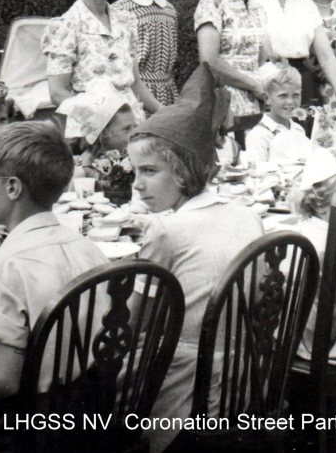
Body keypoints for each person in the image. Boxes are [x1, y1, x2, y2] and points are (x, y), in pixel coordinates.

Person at [126, 63, 263, 452]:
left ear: (183, 171)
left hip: (189, 383)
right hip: (244, 373)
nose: (137, 184)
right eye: (135, 171)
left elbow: (135, 324)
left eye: (149, 171)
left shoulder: (165, 231)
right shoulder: (246, 213)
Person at [0, 121, 109, 418]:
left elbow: (3, 382)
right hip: (89, 412)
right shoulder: (88, 249)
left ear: (12, 187)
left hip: (31, 426)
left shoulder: (5, 266)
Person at [41, 0, 161, 122]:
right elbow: (57, 93)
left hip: (133, 126)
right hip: (93, 132)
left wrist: (166, 113)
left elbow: (134, 83)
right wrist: (99, 120)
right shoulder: (66, 27)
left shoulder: (126, 21)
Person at [288, 133, 336, 363]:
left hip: (300, 322)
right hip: (315, 332)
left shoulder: (312, 227)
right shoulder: (326, 244)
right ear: (320, 202)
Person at [194, 0, 268, 123]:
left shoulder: (257, 6)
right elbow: (209, 61)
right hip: (224, 101)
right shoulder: (213, 1)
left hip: (257, 102)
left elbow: (261, 59)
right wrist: (253, 85)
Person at [111, 0, 180, 106]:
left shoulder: (169, 9)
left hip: (167, 93)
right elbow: (112, 59)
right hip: (133, 95)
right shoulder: (120, 10)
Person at [56, 81, 136, 194]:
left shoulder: (128, 160)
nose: (134, 133)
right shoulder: (83, 170)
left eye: (134, 126)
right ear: (103, 133)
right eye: (127, 129)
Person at [244, 63, 311, 164]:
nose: (290, 102)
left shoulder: (298, 129)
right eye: (283, 96)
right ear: (267, 98)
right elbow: (257, 173)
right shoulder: (259, 135)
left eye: (296, 95)